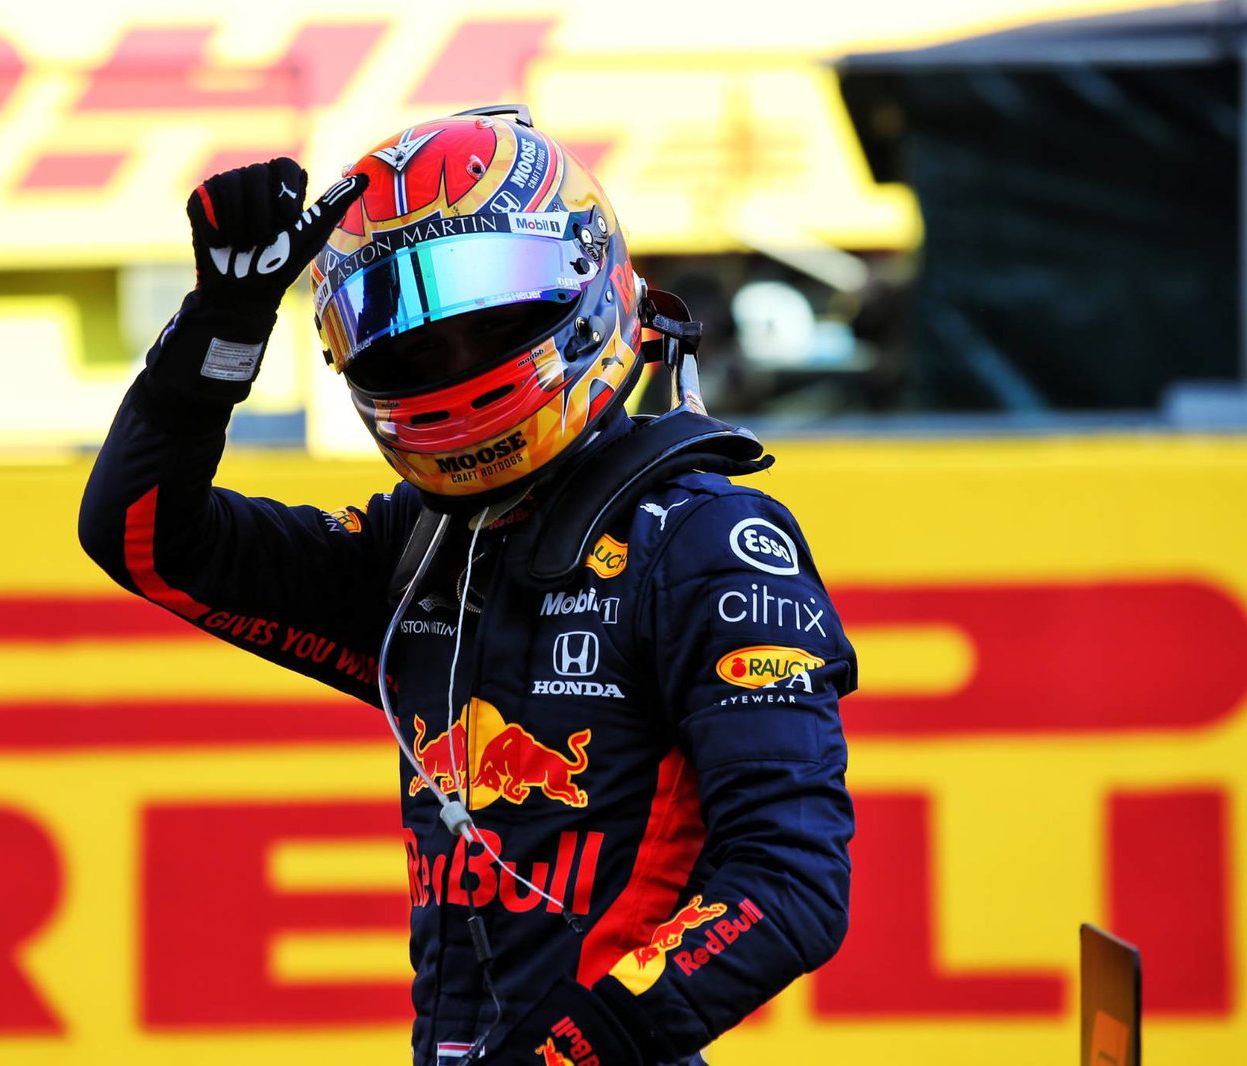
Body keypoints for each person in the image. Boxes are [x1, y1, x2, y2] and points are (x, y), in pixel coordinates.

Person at [79, 105, 855, 1066]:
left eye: (479, 306)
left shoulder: (708, 542)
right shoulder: (418, 550)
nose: (442, 352)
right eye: (402, 326)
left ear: (584, 270)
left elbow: (790, 885)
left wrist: (569, 1053)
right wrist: (225, 324)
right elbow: (145, 537)